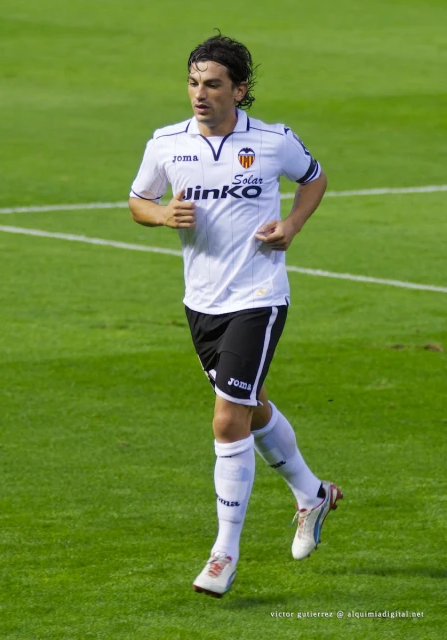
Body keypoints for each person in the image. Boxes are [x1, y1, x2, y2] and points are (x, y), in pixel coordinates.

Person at [128, 34, 342, 598]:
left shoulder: (272, 142)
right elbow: (137, 201)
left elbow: (314, 177)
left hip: (259, 296)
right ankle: (314, 494)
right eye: (194, 82)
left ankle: (224, 551)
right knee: (249, 406)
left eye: (214, 84)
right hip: (200, 302)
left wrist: (291, 227)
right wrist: (160, 214)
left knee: (228, 419)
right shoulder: (167, 143)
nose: (200, 93)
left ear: (239, 90)